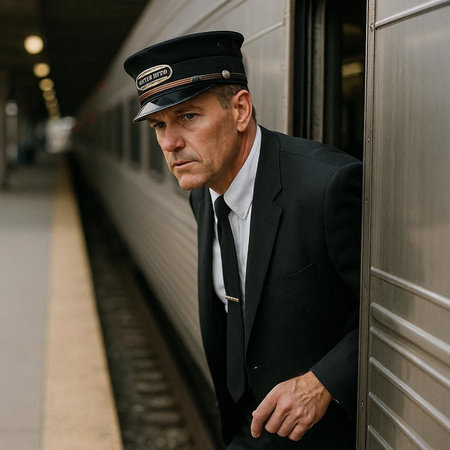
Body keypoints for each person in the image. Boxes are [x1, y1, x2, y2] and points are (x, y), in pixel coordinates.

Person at [124, 31, 362, 449]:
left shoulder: (326, 187)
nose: (169, 143)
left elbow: (394, 312)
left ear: (240, 109)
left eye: (188, 117)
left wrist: (322, 381)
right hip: (244, 428)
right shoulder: (202, 190)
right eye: (160, 125)